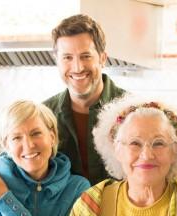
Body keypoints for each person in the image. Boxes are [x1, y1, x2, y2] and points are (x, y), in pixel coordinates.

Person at [44, 14, 126, 184]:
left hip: (119, 210)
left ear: (102, 59)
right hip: (66, 211)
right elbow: (16, 160)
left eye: (85, 56)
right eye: (67, 57)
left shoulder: (134, 109)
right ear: (57, 61)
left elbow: (164, 163)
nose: (78, 67)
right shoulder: (43, 115)